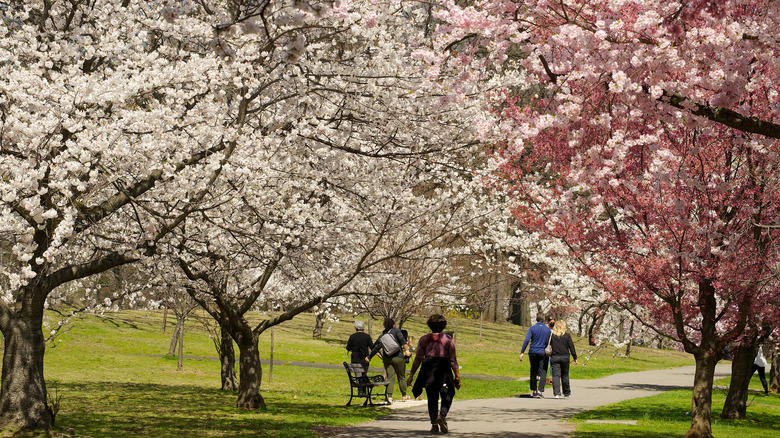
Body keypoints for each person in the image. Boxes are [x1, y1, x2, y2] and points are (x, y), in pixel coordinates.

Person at [407, 314, 461, 434]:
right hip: (444, 368)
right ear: (443, 325)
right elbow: (453, 359)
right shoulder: (448, 339)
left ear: (430, 325)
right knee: (448, 393)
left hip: (428, 369)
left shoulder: (424, 339)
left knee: (432, 396)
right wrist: (457, 376)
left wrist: (411, 375)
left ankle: (434, 425)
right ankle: (442, 414)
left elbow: (418, 359)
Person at [366, 318, 411, 403]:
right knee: (401, 376)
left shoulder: (383, 335)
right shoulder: (396, 331)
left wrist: (369, 357)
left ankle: (389, 396)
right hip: (398, 357)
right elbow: (402, 340)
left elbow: (376, 347)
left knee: (390, 377)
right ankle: (404, 395)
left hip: (387, 358)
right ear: (393, 325)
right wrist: (407, 351)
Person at [519, 312, 552, 398]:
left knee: (533, 370)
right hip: (542, 352)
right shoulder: (547, 330)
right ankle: (540, 391)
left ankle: (534, 390)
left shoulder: (532, 328)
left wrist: (522, 352)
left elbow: (526, 340)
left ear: (536, 319)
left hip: (533, 351)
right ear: (544, 319)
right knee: (543, 371)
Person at [549, 320, 578, 399]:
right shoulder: (567, 336)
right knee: (565, 376)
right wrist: (575, 357)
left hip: (555, 357)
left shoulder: (552, 335)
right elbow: (571, 347)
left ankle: (557, 393)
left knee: (556, 376)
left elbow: (546, 344)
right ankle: (566, 393)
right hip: (565, 357)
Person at [346, 320, 373, 395]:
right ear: (363, 328)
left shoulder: (352, 337)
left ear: (355, 328)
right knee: (364, 375)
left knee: (358, 376)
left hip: (355, 359)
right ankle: (364, 391)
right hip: (365, 359)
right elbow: (372, 347)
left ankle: (360, 391)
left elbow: (348, 347)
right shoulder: (367, 337)